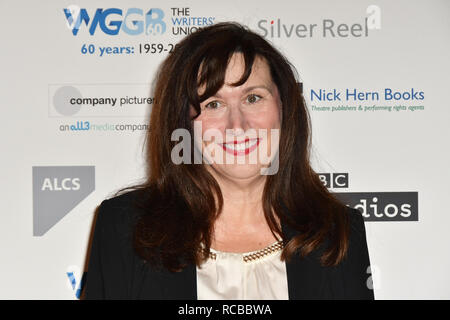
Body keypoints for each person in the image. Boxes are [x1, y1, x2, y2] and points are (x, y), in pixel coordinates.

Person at [82, 22, 374, 300]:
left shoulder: (338, 232)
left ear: (285, 109)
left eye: (253, 98)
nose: (237, 125)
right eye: (213, 104)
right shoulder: (125, 229)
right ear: (183, 124)